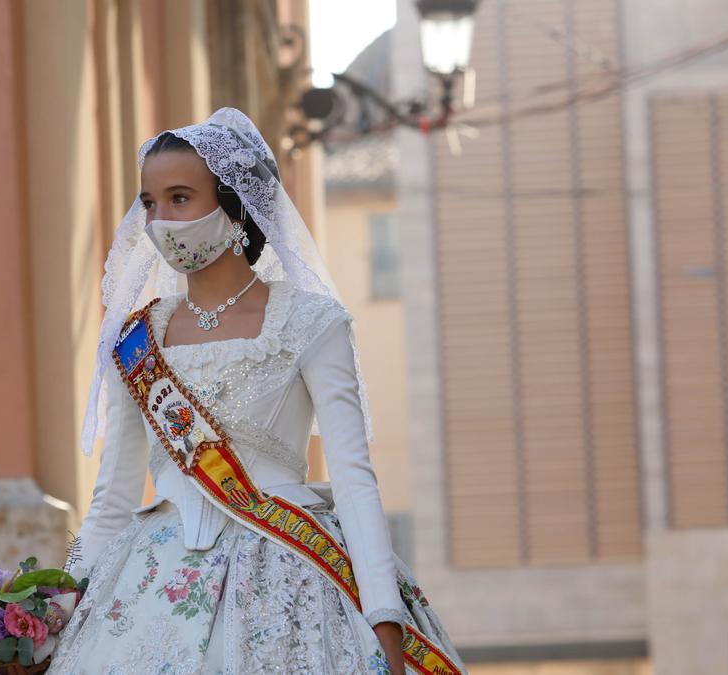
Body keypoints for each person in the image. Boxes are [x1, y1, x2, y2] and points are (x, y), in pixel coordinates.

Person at [50, 109, 463, 673]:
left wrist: (384, 617)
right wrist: (50, 608)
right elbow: (111, 502)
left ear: (235, 205)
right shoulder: (136, 339)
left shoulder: (310, 322)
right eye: (149, 203)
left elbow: (354, 477)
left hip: (288, 570)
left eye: (179, 198)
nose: (160, 221)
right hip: (148, 582)